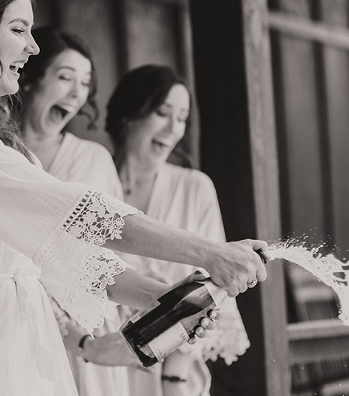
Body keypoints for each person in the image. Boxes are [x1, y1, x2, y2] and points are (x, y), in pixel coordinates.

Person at [0, 0, 267, 396]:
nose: (32, 47)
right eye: (18, 29)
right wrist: (210, 252)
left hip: (18, 345)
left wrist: (162, 298)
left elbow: (65, 254)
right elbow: (73, 213)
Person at [106, 64, 251, 396]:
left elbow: (215, 287)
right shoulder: (95, 179)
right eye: (162, 113)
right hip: (100, 367)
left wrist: (174, 379)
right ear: (130, 114)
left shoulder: (194, 188)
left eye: (182, 118)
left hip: (172, 374)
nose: (173, 129)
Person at [17, 25, 135, 395]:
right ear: (29, 80)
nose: (76, 92)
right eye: (65, 77)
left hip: (86, 326)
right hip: (16, 317)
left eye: (84, 83)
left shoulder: (94, 160)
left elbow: (117, 246)